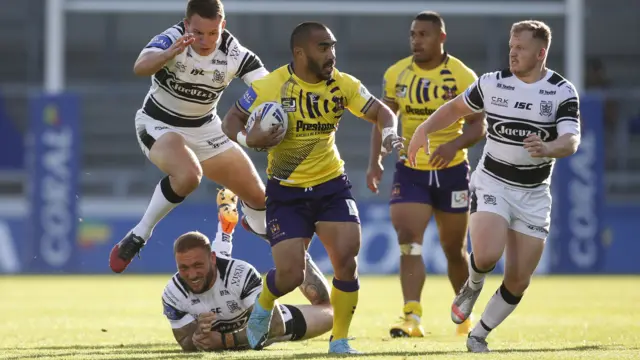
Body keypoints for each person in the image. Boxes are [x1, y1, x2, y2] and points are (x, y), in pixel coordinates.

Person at [222, 22, 403, 354]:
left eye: (332, 46)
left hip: (331, 186)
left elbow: (383, 112)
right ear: (299, 52)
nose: (331, 54)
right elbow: (230, 120)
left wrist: (389, 133)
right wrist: (250, 139)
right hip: (286, 192)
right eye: (323, 47)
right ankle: (264, 303)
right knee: (291, 276)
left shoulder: (342, 85)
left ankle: (341, 339)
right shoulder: (270, 86)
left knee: (347, 259)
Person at [408, 20, 581, 353]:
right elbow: (455, 108)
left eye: (521, 49)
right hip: (493, 181)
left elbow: (571, 140)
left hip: (533, 194)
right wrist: (424, 130)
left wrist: (548, 148)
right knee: (486, 254)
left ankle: (479, 335)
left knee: (518, 280)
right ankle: (472, 285)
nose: (512, 54)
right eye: (511, 47)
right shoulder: (492, 83)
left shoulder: (561, 90)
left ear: (540, 53)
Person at [109, 0, 271, 273]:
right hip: (159, 123)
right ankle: (140, 234)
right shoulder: (173, 38)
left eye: (213, 33)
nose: (205, 41)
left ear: (223, 26)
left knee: (259, 198)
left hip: (206, 128)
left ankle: (261, 228)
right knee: (188, 175)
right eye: (198, 33)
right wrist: (168, 54)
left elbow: (268, 88)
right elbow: (140, 66)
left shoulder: (235, 53)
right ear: (186, 25)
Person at [366, 11, 485, 338]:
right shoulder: (397, 74)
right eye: (413, 34)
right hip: (411, 171)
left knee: (453, 250)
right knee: (409, 243)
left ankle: (464, 318)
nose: (416, 40)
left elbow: (479, 124)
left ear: (441, 38)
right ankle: (411, 317)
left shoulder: (462, 75)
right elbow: (384, 118)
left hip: (452, 173)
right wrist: (375, 161)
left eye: (424, 35)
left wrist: (455, 145)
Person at [162, 230, 333, 351]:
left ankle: (296, 254)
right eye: (183, 268)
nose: (191, 275)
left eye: (198, 265)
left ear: (212, 258)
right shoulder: (173, 293)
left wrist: (224, 341)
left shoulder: (239, 273)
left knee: (331, 311)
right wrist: (197, 336)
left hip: (274, 325)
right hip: (251, 332)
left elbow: (274, 325)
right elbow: (186, 342)